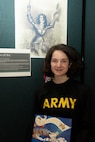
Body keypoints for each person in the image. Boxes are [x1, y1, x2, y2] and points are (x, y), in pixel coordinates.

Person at [31, 44, 93, 142]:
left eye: (64, 61)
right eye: (54, 60)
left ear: (70, 64)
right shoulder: (41, 91)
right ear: (49, 63)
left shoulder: (82, 91)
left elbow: (87, 125)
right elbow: (34, 123)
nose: (58, 65)